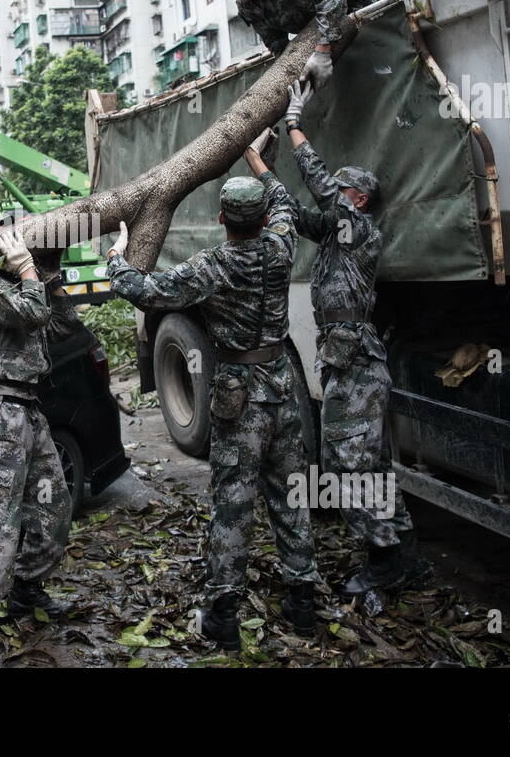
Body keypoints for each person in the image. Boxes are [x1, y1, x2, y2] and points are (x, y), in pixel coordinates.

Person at [104, 144, 321, 645]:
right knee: (291, 497)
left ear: (222, 217)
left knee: (233, 503)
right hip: (283, 391)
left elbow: (147, 291)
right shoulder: (282, 244)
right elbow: (286, 202)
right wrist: (258, 161)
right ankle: (303, 606)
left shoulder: (214, 266)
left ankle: (223, 618)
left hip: (238, 398)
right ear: (264, 218)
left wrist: (116, 259)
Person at [280, 79, 427, 595]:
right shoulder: (333, 236)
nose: (334, 196)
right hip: (347, 364)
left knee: (344, 467)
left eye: (341, 191)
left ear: (357, 198)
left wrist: (294, 124)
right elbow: (295, 211)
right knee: (370, 463)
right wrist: (256, 159)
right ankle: (404, 553)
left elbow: (318, 187)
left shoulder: (359, 229)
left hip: (357, 364)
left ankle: (385, 561)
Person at [0, 211, 82, 667]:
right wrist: (26, 271)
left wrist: (50, 269)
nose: (6, 241)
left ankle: (26, 588)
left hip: (29, 411)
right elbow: (32, 313)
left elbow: (61, 325)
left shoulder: (23, 285)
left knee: (55, 505)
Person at [201, 0, 349, 88]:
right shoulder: (246, 6)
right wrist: (290, 74)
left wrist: (323, 52)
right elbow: (277, 45)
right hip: (324, 39)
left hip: (355, 14)